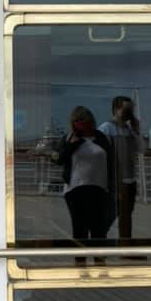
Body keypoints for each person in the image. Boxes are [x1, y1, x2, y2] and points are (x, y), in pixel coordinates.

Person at [57, 106, 114, 262]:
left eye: (82, 119)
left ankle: (100, 261)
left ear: (90, 119)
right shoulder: (68, 138)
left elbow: (112, 161)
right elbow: (57, 159)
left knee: (98, 228)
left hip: (99, 188)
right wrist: (72, 145)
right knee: (79, 228)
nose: (79, 123)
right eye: (76, 120)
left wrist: (113, 186)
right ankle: (80, 262)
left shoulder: (102, 138)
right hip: (75, 189)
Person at [99, 96, 143, 241]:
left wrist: (136, 130)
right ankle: (98, 242)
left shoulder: (129, 130)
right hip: (116, 181)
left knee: (126, 217)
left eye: (131, 109)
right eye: (126, 109)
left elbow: (142, 149)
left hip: (130, 180)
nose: (129, 113)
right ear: (116, 109)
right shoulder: (106, 128)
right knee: (110, 216)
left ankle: (126, 246)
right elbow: (101, 155)